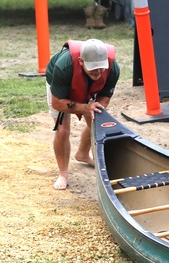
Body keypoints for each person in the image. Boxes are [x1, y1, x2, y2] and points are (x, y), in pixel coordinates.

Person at [45, 39, 120, 190]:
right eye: (93, 68)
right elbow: (58, 103)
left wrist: (93, 108)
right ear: (81, 62)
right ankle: (63, 174)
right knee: (63, 131)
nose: (98, 72)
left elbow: (105, 97)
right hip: (61, 89)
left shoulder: (112, 69)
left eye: (101, 68)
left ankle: (83, 154)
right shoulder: (63, 66)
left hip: (90, 88)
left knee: (95, 124)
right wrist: (85, 107)